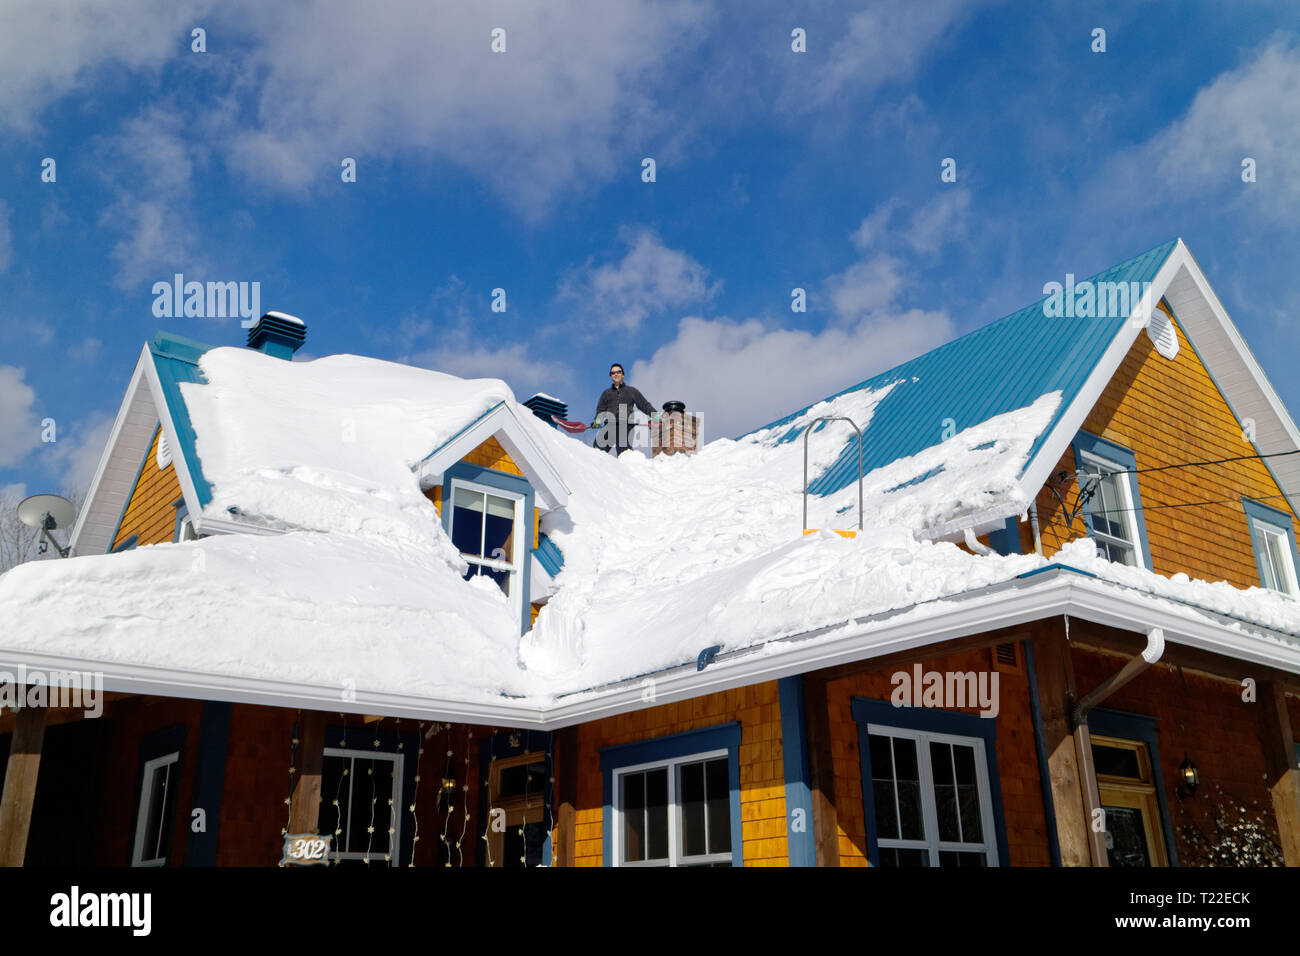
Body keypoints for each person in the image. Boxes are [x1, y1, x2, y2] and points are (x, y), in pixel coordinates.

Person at [592, 363, 656, 456]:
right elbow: (600, 410)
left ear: (623, 374)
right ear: (611, 376)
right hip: (609, 425)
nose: (616, 374)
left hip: (625, 426)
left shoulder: (631, 391)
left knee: (624, 454)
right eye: (613, 373)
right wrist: (597, 421)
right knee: (597, 451)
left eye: (618, 372)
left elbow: (644, 405)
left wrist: (656, 416)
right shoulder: (606, 393)